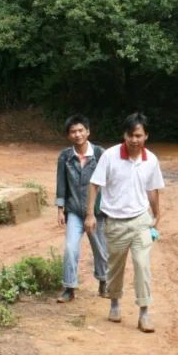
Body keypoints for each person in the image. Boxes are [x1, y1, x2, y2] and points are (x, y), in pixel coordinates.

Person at [85, 112, 165, 333]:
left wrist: (157, 215)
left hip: (141, 221)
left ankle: (144, 312)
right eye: (130, 135)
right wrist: (90, 214)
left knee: (142, 264)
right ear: (125, 135)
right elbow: (94, 185)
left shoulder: (151, 160)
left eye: (138, 135)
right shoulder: (110, 156)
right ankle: (114, 303)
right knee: (115, 266)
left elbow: (153, 189)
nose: (134, 140)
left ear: (146, 136)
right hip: (115, 223)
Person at [54, 115, 109, 303]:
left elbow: (109, 183)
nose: (77, 134)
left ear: (88, 131)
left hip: (97, 213)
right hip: (75, 211)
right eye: (73, 132)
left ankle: (104, 282)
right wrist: (60, 209)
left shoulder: (101, 154)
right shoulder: (65, 156)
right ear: (68, 135)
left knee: (100, 249)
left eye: (80, 130)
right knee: (70, 249)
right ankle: (69, 287)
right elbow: (61, 183)